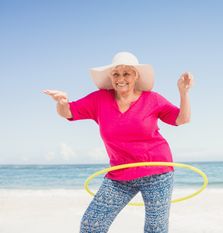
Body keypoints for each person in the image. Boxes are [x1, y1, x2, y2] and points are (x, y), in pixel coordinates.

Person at [44, 51, 193, 233]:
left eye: (126, 73)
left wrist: (183, 93)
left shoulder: (152, 99)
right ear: (110, 77)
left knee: (155, 229)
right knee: (91, 225)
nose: (120, 78)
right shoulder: (99, 99)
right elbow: (68, 112)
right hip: (120, 174)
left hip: (157, 172)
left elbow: (182, 119)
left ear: (136, 76)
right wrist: (61, 102)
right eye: (116, 74)